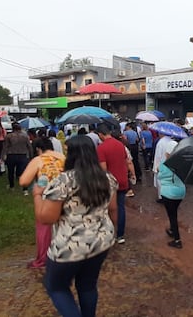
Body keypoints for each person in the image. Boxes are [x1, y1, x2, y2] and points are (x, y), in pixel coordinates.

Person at [37, 136, 118, 317]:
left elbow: (46, 218)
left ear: (71, 154)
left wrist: (37, 195)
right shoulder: (107, 178)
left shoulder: (63, 181)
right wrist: (111, 234)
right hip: (101, 242)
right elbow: (113, 209)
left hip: (69, 246)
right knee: (88, 285)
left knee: (56, 287)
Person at [19, 137, 65, 269]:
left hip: (47, 199)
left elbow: (23, 181)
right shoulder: (62, 157)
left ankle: (43, 258)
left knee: (44, 228)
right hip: (65, 196)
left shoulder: (38, 160)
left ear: (38, 149)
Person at [96, 124, 135, 244]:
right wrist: (132, 175)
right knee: (121, 207)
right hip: (122, 180)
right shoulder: (120, 145)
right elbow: (126, 161)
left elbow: (103, 169)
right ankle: (120, 235)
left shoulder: (101, 148)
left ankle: (111, 233)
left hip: (110, 183)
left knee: (110, 208)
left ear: (101, 135)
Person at [157, 161, 186, 248]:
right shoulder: (183, 164)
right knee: (174, 212)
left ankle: (177, 240)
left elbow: (159, 175)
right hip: (181, 192)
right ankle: (172, 230)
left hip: (168, 193)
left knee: (172, 216)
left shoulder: (163, 164)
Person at [2, 122, 33, 195]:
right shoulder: (25, 137)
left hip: (11, 155)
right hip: (22, 155)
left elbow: (5, 147)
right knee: (23, 173)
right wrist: (31, 157)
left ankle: (12, 186)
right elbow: (29, 147)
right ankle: (25, 189)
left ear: (13, 129)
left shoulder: (9, 136)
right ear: (20, 129)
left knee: (11, 172)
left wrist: (3, 156)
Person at [153, 132, 178, 202]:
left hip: (161, 166)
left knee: (161, 182)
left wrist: (156, 167)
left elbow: (158, 156)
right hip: (171, 166)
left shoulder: (160, 142)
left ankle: (163, 197)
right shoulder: (173, 142)